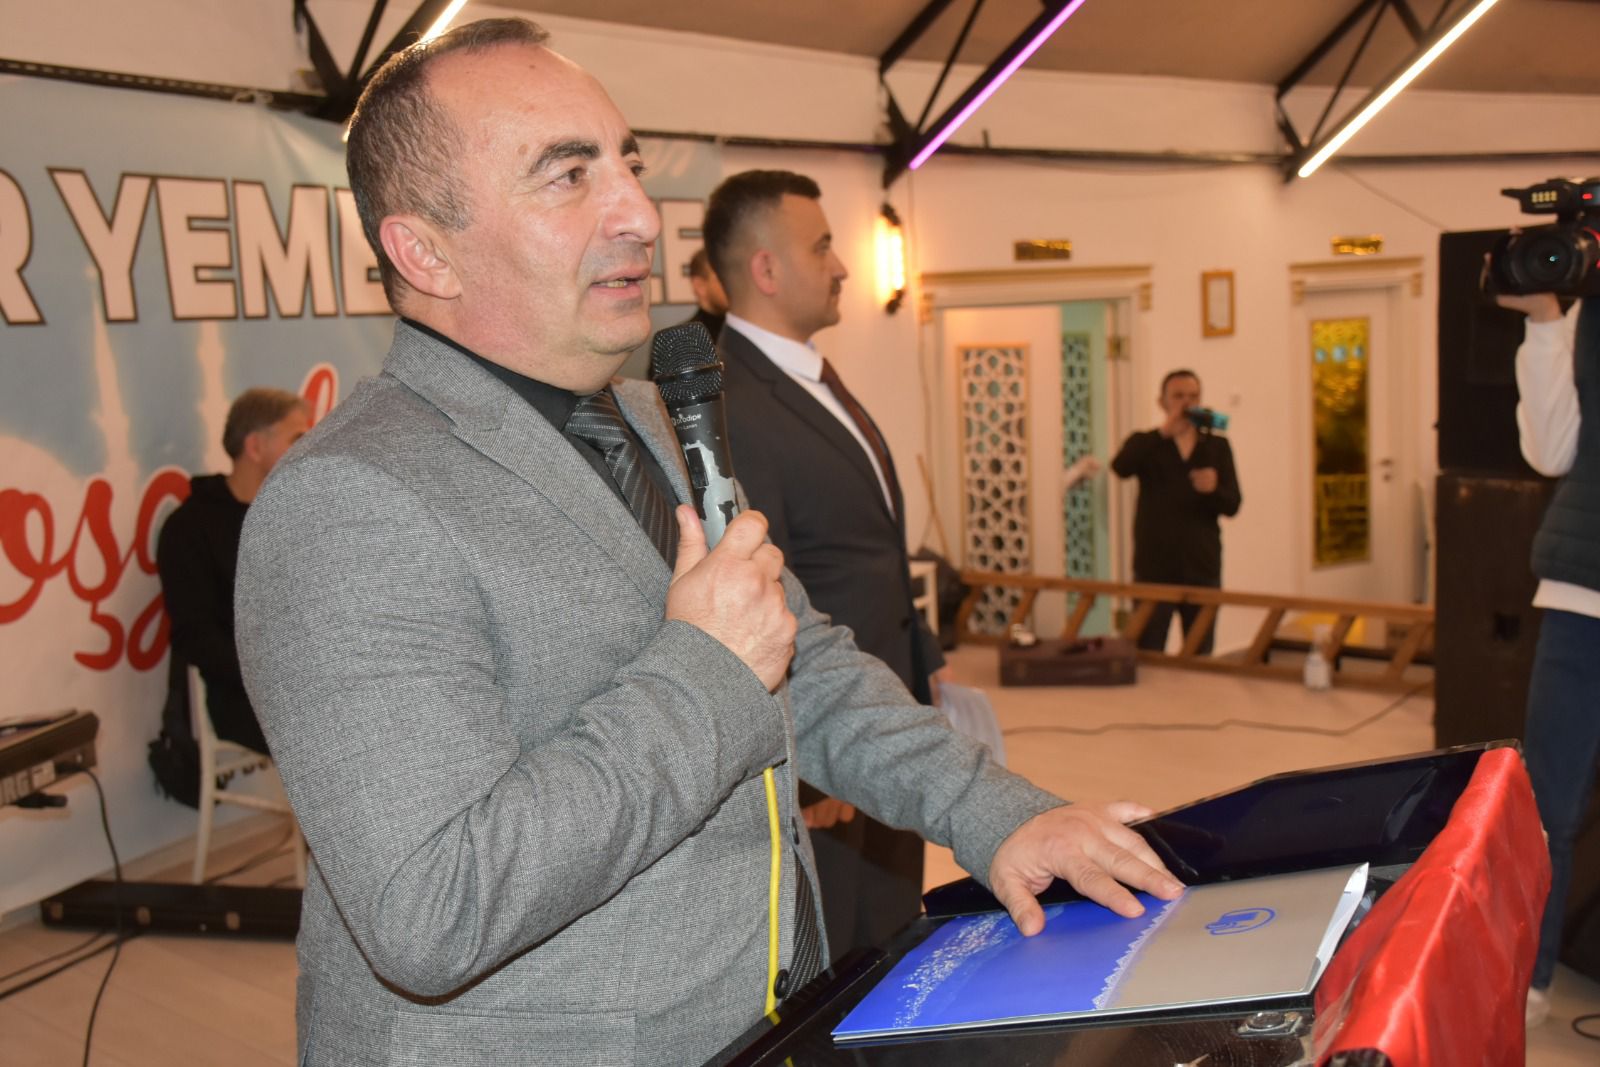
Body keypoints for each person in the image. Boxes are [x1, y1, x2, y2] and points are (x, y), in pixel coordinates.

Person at [234, 19, 1181, 1066]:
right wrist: (705, 669)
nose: (640, 215)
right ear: (425, 251)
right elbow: (434, 905)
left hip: (762, 1021)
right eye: (569, 175)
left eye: (630, 166)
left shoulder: (646, 415)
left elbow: (802, 663)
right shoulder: (349, 501)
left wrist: (994, 811)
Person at [704, 169, 938, 961]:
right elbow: (767, 584)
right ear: (767, 269)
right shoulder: (735, 400)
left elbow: (869, 551)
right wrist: (808, 762)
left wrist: (924, 660)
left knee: (893, 932)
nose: (841, 267)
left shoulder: (807, 374)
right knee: (843, 955)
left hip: (882, 706)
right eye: (823, 247)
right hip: (831, 741)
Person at [1497, 287, 1599, 1028]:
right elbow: (1549, 450)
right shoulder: (1587, 313)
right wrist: (1544, 323)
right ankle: (1528, 980)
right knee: (1546, 806)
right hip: (1580, 595)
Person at [157, 387, 308, 755]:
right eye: (297, 439)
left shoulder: (297, 512)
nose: (308, 449)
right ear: (254, 446)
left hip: (316, 682)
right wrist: (278, 674)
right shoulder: (190, 528)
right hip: (245, 697)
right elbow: (197, 636)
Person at [1111, 369, 1241, 654]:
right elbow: (1120, 467)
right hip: (1154, 567)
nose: (1186, 403)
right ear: (1163, 402)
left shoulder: (1216, 446)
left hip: (1202, 566)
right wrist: (1163, 433)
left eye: (1193, 396)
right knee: (1148, 650)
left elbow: (1233, 504)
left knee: (1200, 653)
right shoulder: (1147, 443)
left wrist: (1214, 489)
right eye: (1178, 396)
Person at [684, 246, 728, 340]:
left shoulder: (745, 332)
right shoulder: (685, 340)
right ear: (700, 286)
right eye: (722, 277)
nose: (731, 285)